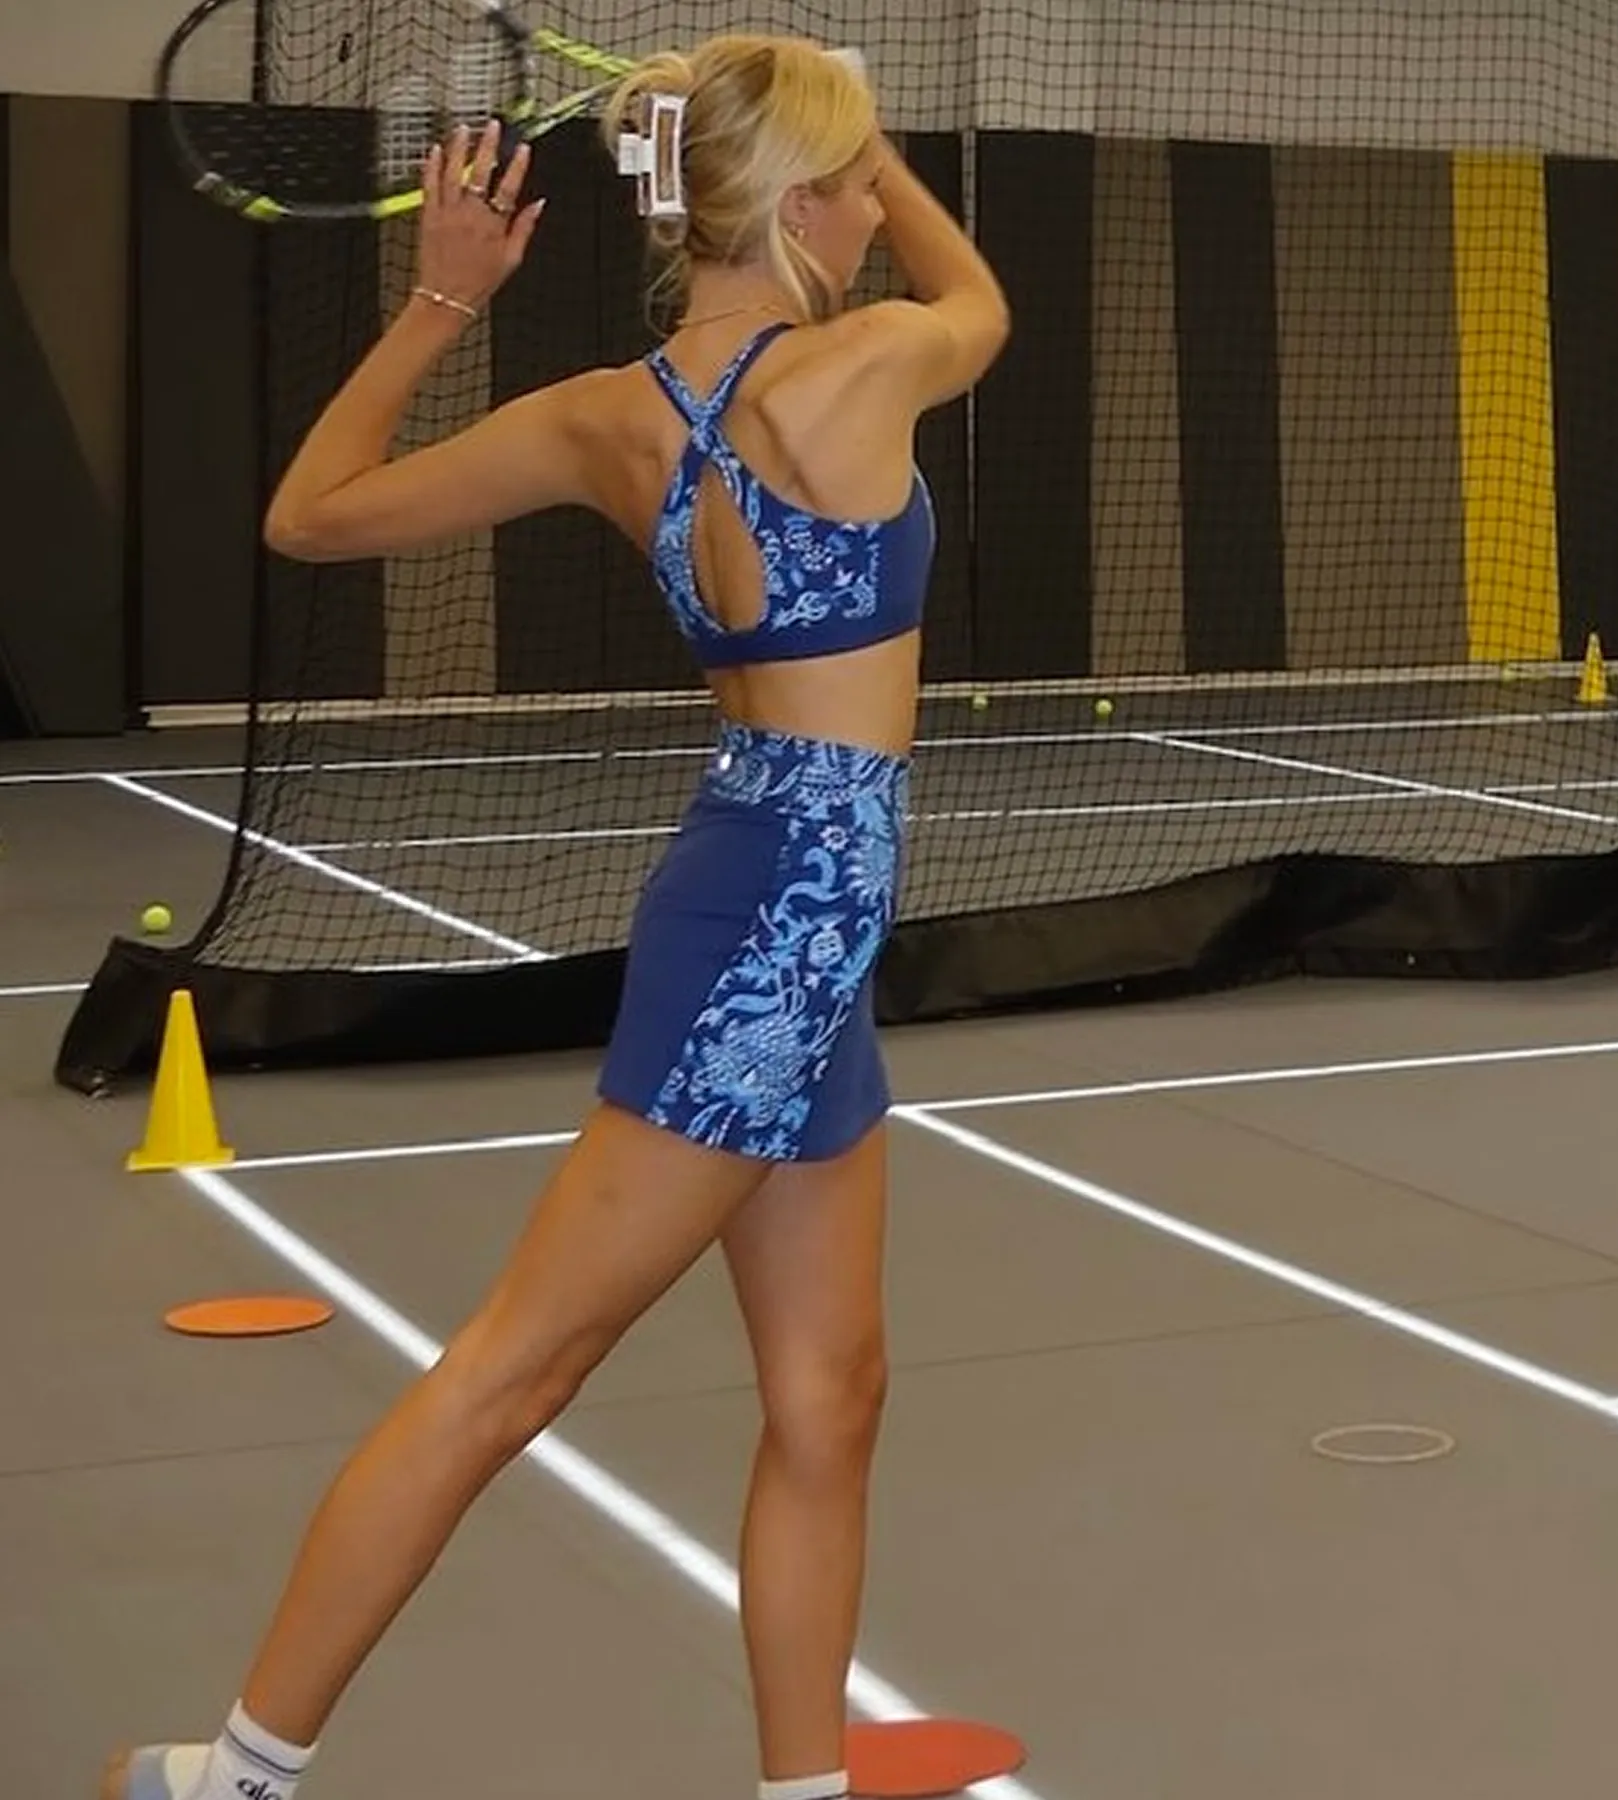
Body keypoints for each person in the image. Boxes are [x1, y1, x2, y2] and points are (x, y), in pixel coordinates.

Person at [104, 33, 1009, 1800]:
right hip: (774, 939)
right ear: (816, 195)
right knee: (513, 1373)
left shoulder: (609, 415)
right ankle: (228, 1779)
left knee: (835, 1397)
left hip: (785, 923)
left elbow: (311, 514)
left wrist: (445, 301)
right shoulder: (867, 364)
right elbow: (976, 294)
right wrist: (875, 141)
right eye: (852, 173)